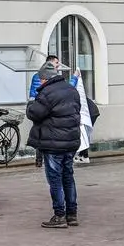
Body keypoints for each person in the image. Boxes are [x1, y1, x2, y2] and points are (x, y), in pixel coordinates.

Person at [26, 61, 82, 229]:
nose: (40, 82)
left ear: (45, 78)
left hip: (53, 143)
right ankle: (72, 215)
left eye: (41, 79)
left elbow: (35, 113)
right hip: (71, 141)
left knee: (55, 179)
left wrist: (30, 104)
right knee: (68, 177)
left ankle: (59, 216)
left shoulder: (47, 93)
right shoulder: (71, 90)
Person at [28, 54, 79, 168]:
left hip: (43, 110)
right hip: (44, 111)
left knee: (41, 133)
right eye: (56, 63)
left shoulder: (43, 78)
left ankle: (39, 159)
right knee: (42, 134)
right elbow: (64, 91)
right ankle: (39, 159)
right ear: (50, 64)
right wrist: (74, 78)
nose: (58, 65)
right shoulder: (44, 78)